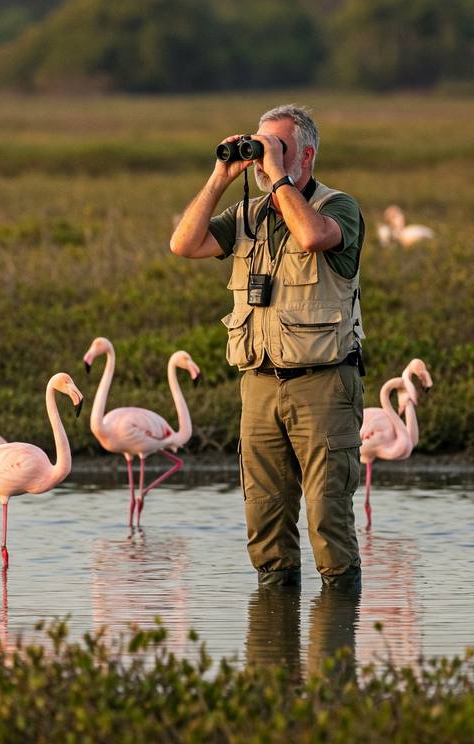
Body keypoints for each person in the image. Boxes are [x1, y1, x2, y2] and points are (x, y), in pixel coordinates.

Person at [170, 104, 365, 590]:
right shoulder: (245, 215)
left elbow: (310, 235)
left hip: (323, 384)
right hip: (258, 387)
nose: (261, 160)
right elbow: (183, 244)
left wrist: (278, 176)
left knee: (328, 519)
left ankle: (337, 640)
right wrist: (220, 176)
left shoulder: (337, 208)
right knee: (265, 522)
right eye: (258, 148)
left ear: (308, 156)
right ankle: (274, 646)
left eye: (275, 148)